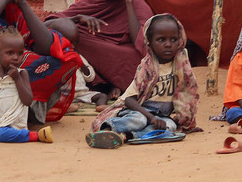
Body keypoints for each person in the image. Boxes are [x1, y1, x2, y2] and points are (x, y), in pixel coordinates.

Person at [46, 0, 153, 100]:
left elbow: (142, 42)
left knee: (138, 59)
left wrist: (128, 1)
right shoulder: (90, 2)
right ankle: (106, 85)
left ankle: (114, 84)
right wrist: (77, 19)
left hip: (119, 54)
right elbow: (47, 25)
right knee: (66, 33)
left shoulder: (137, 4)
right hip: (92, 57)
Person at [85, 14, 200, 148]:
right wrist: (150, 117)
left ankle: (127, 136)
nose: (168, 45)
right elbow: (129, 100)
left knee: (170, 126)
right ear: (149, 42)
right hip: (139, 111)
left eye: (173, 39)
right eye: (161, 40)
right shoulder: (146, 68)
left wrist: (187, 123)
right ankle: (107, 131)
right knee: (139, 120)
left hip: (160, 117)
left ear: (180, 41)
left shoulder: (181, 67)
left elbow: (186, 96)